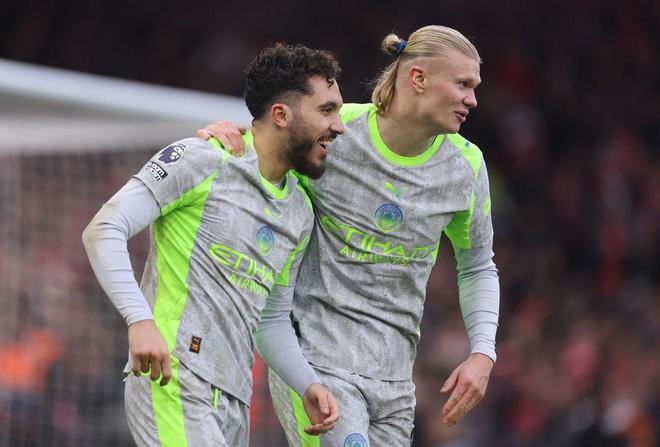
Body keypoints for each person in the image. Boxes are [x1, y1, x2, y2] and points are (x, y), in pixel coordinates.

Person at [200, 25, 500, 446]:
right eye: (463, 85)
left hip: (395, 383)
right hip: (316, 364)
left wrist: (483, 351)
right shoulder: (337, 131)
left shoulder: (465, 167)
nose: (472, 100)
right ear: (418, 78)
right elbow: (265, 147)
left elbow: (477, 265)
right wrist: (222, 137)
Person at [82, 43, 345, 447]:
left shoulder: (299, 210)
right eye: (327, 110)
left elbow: (271, 320)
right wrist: (140, 320)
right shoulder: (201, 158)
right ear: (281, 115)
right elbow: (104, 229)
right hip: (174, 375)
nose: (339, 126)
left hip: (234, 400)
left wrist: (307, 383)